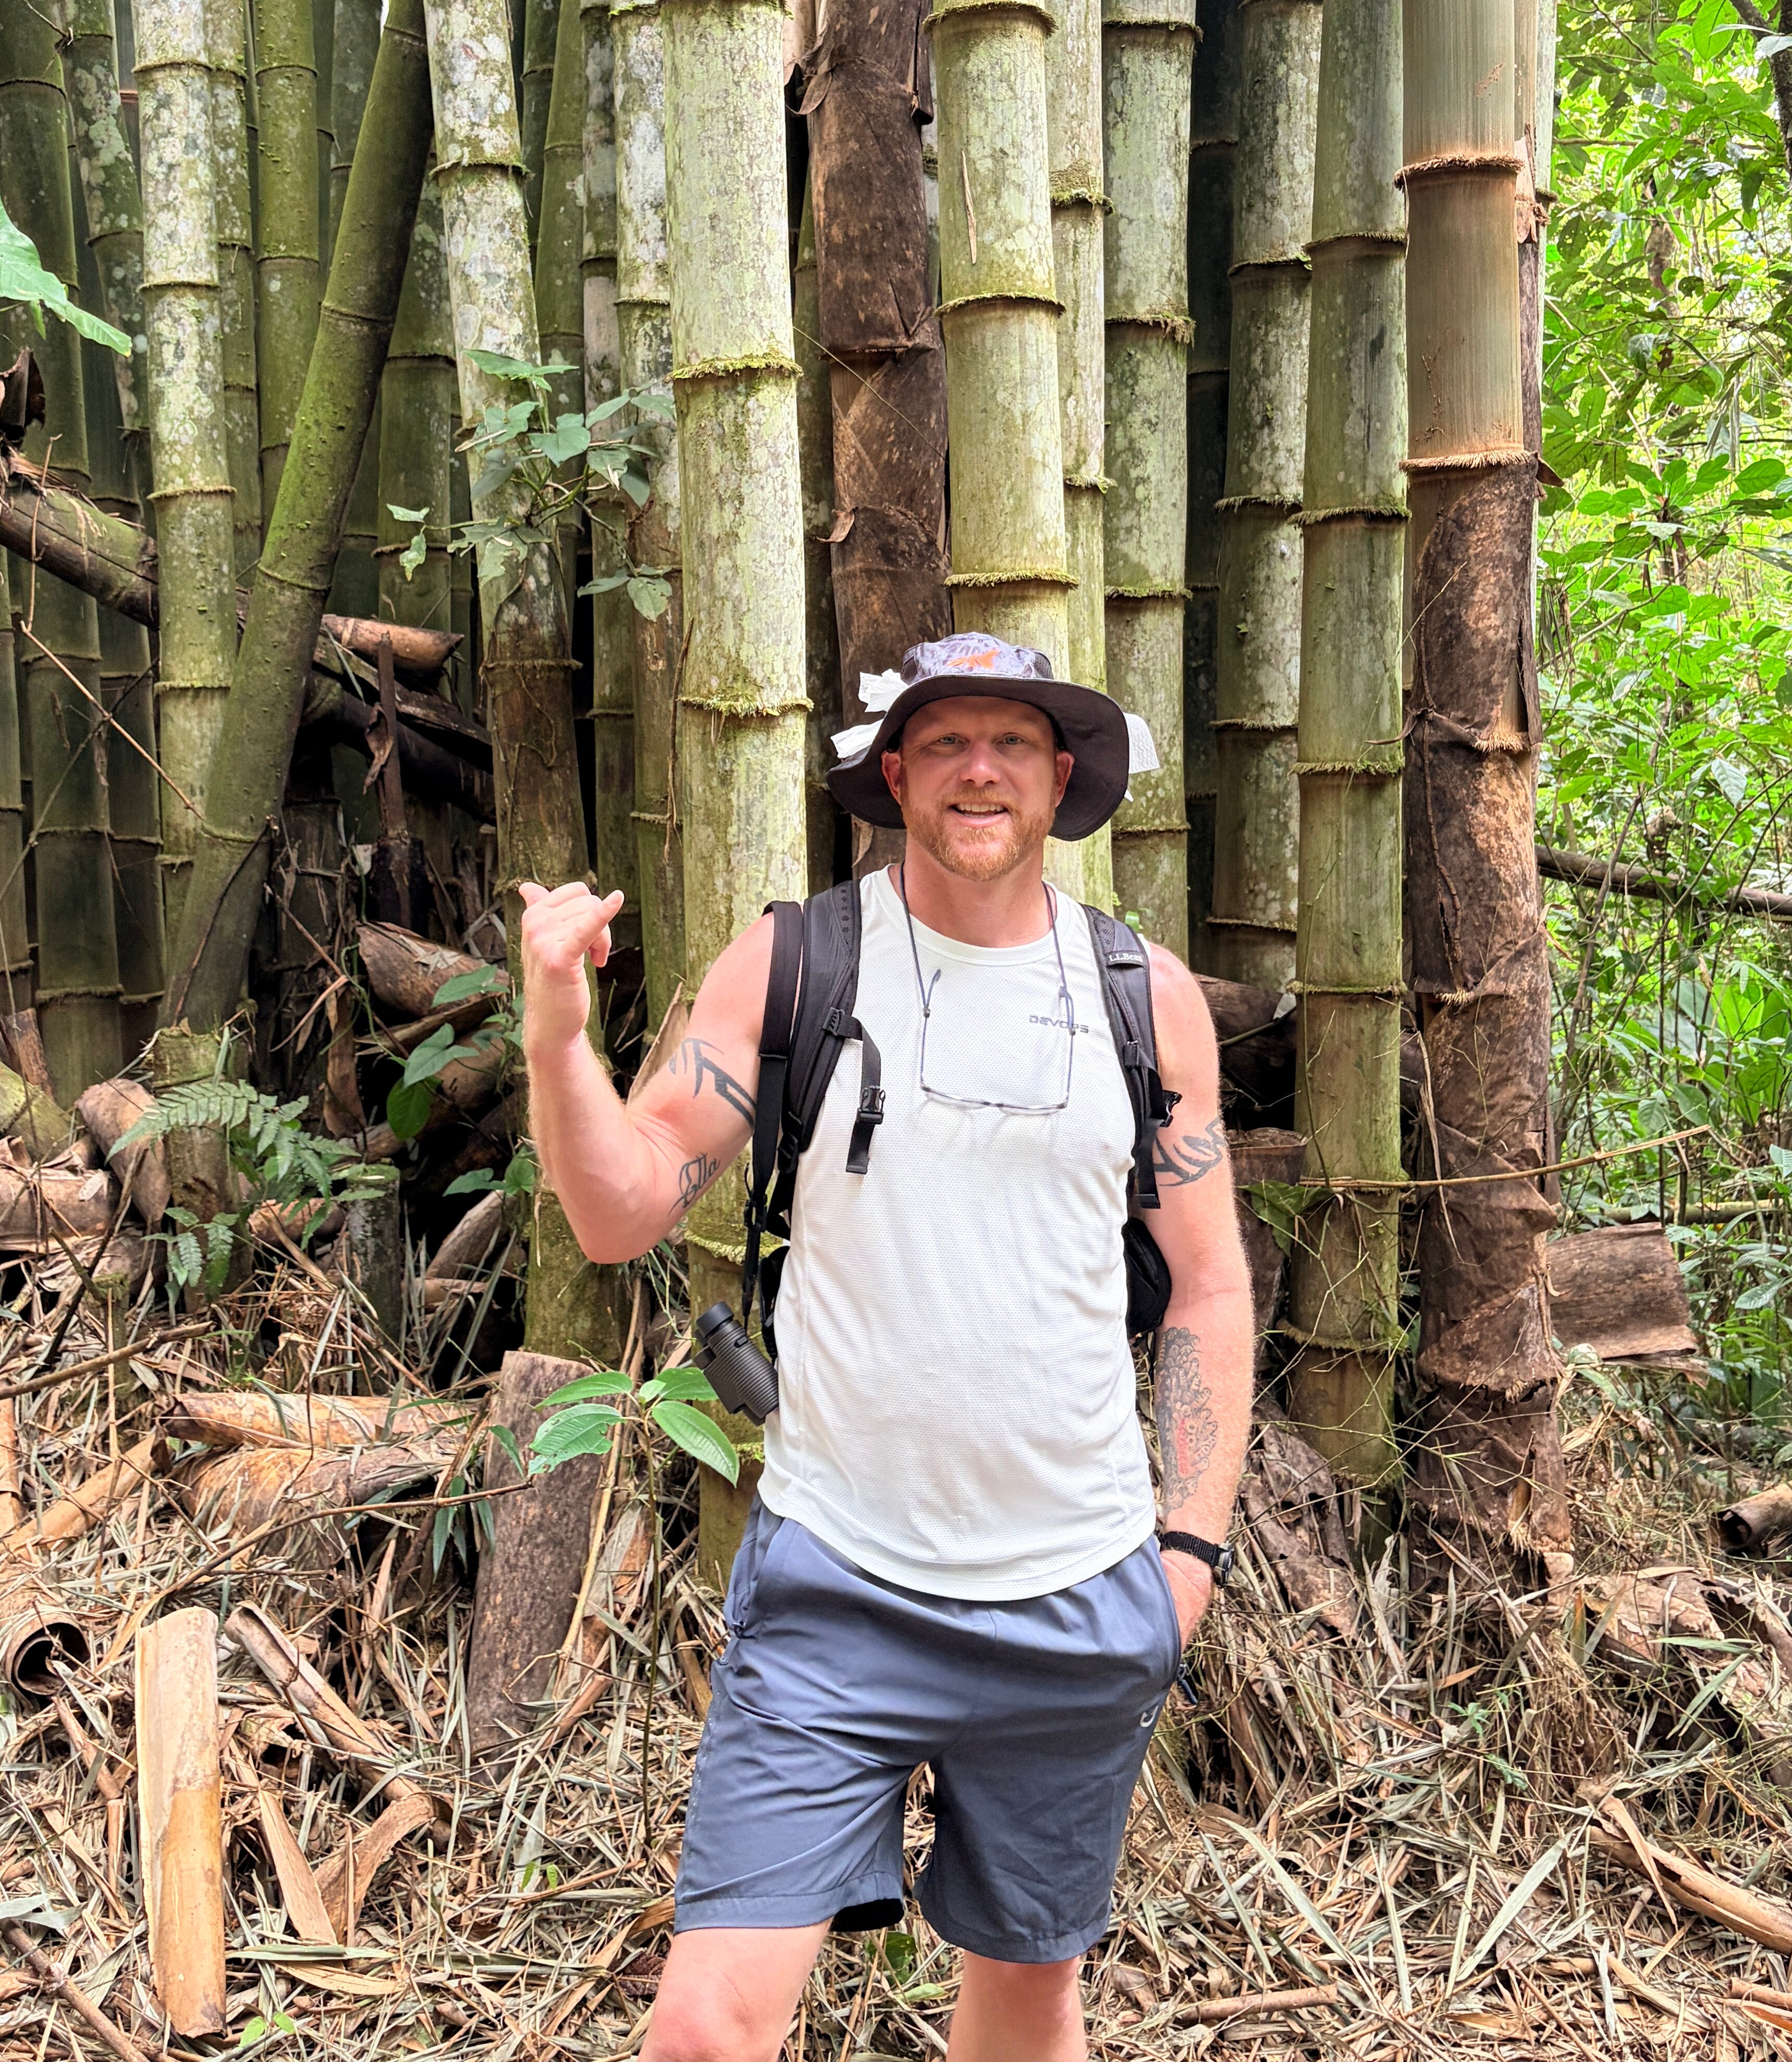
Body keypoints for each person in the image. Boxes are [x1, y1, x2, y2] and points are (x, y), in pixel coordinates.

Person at [520, 632, 1253, 2062]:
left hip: (1080, 1592)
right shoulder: (799, 959)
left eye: (1016, 743)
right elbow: (618, 1213)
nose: (981, 769)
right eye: (950, 742)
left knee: (1028, 1991)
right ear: (897, 772)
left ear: (1060, 781)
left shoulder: (1140, 995)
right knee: (703, 2034)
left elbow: (1208, 1289)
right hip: (837, 1586)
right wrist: (558, 1035)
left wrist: (1189, 1558)